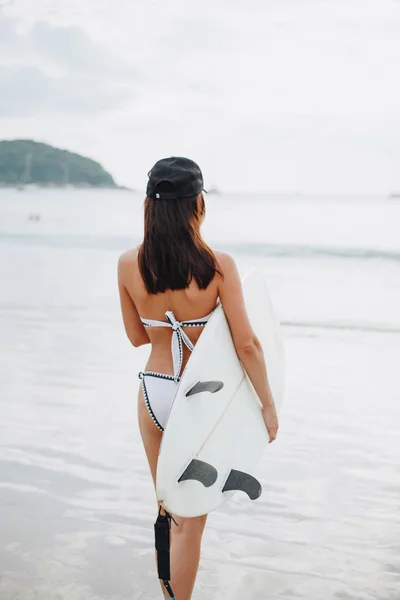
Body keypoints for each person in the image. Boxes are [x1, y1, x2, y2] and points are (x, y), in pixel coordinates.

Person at [118, 157, 279, 600]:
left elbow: (136, 337)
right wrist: (267, 403)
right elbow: (247, 345)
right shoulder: (218, 265)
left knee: (168, 510)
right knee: (192, 517)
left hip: (153, 390)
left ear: (149, 206)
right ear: (197, 204)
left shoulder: (128, 263)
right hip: (198, 399)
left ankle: (167, 595)